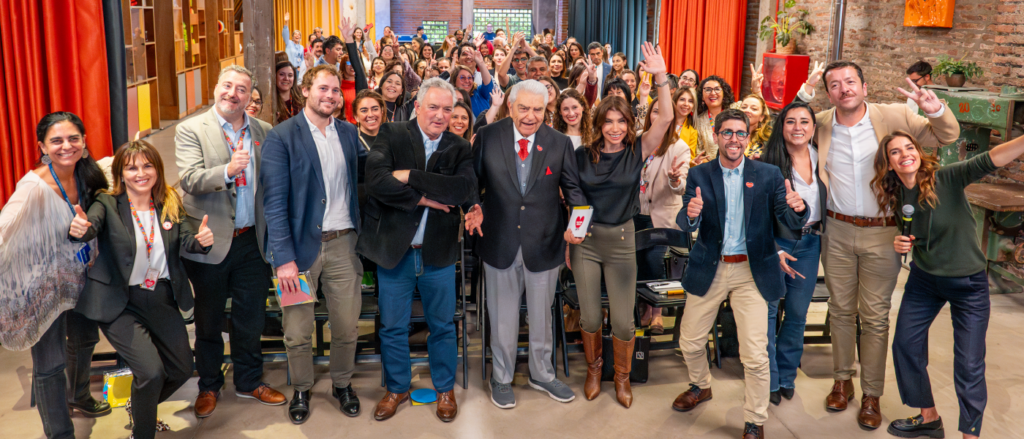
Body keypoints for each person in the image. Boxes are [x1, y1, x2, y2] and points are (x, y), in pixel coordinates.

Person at [795, 61, 960, 430]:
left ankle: (871, 393)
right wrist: (801, 95)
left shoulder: (895, 115)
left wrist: (933, 107)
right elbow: (784, 130)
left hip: (883, 233)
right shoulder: (819, 123)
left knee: (874, 316)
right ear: (828, 93)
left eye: (850, 82)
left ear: (864, 87)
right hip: (836, 229)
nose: (844, 89)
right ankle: (842, 381)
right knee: (839, 310)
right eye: (834, 84)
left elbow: (946, 135)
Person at [878, 132, 1024, 439]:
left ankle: (969, 434)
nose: (905, 154)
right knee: (905, 345)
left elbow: (992, 157)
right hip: (924, 280)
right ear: (888, 164)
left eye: (909, 147)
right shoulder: (896, 196)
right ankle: (928, 417)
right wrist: (900, 242)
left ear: (918, 152)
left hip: (967, 284)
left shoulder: (948, 178)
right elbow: (912, 235)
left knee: (969, 364)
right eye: (895, 152)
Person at [672, 109, 807, 439]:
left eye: (741, 133)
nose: (734, 139)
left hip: (752, 270)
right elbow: (687, 220)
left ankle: (754, 419)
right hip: (711, 267)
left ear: (749, 137)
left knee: (756, 354)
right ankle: (701, 386)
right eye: (727, 132)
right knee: (689, 342)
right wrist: (690, 215)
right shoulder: (700, 174)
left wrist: (797, 208)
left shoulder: (768, 174)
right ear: (717, 135)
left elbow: (788, 223)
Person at [68, 141, 213, 439]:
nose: (140, 173)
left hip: (160, 296)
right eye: (132, 167)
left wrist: (202, 241)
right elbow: (92, 225)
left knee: (183, 369)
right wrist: (82, 229)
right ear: (121, 172)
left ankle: (140, 404)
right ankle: (142, 433)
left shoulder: (169, 202)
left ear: (157, 170)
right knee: (151, 372)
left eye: (147, 166)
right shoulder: (107, 203)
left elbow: (187, 239)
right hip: (119, 302)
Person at [355, 78, 475, 423]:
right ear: (417, 106)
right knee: (392, 327)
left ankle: (444, 389)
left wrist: (409, 175)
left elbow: (461, 189)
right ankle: (396, 388)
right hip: (395, 252)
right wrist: (426, 199)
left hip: (437, 252)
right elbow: (376, 182)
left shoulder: (459, 146)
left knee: (442, 325)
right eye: (433, 107)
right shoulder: (391, 134)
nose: (440, 115)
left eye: (447, 109)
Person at [175, 65, 285, 419]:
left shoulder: (263, 131)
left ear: (250, 96)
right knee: (208, 320)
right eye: (227, 86)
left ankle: (249, 381)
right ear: (216, 88)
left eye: (242, 89)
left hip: (251, 240)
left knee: (250, 317)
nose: (233, 94)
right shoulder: (191, 129)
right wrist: (227, 171)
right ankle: (208, 385)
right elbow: (189, 179)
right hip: (210, 241)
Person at [468, 80, 585, 410]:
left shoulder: (559, 143)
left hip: (545, 244)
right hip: (498, 241)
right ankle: (501, 378)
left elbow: (573, 191)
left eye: (539, 109)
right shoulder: (489, 137)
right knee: (502, 317)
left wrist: (578, 226)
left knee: (542, 316)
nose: (531, 116)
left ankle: (542, 373)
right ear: (510, 106)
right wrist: (471, 206)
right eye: (524, 108)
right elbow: (471, 183)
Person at [260, 64, 367, 424]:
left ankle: (342, 384)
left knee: (347, 325)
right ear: (306, 90)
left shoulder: (350, 134)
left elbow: (368, 179)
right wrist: (284, 259)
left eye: (336, 90)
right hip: (298, 252)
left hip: (343, 245)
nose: (330, 96)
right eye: (323, 88)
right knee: (297, 330)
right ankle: (302, 388)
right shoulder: (282, 136)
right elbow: (273, 204)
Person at [570, 42, 672, 409]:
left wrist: (660, 76)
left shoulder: (637, 151)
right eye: (608, 122)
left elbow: (664, 119)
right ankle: (595, 369)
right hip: (586, 241)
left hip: (623, 239)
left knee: (625, 322)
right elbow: (570, 198)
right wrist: (570, 238)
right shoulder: (581, 156)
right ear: (598, 125)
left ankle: (623, 377)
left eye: (622, 121)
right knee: (592, 315)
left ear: (630, 124)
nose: (615, 128)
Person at [0, 112, 108, 439]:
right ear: (43, 147)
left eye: (73, 138)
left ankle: (79, 396)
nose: (66, 146)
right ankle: (60, 433)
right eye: (56, 141)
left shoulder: (88, 175)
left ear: (84, 142)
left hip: (78, 277)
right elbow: (4, 228)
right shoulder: (33, 186)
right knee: (50, 363)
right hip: (42, 286)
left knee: (85, 338)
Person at [758, 101, 827, 406]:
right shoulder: (768, 164)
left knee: (798, 314)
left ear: (813, 127)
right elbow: (756, 217)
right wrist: (772, 248)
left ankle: (787, 375)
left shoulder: (822, 158)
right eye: (790, 122)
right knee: (769, 314)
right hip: (777, 243)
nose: (797, 127)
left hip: (810, 243)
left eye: (804, 121)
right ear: (781, 126)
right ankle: (770, 379)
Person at [633, 94, 691, 333]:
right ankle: (643, 306)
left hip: (662, 219)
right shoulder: (638, 140)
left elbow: (682, 186)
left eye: (662, 112)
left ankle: (656, 312)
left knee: (654, 261)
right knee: (637, 263)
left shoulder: (679, 146)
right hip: (636, 214)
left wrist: (675, 179)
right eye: (654, 111)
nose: (658, 116)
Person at [693, 75, 733, 162]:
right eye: (708, 90)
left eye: (717, 89)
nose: (713, 93)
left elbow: (760, 111)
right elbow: (699, 152)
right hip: (711, 169)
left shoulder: (735, 111)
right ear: (702, 97)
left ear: (724, 93)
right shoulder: (699, 121)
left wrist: (756, 90)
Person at [449, 48, 494, 117]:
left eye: (470, 78)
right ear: (454, 80)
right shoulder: (449, 98)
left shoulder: (479, 92)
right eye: (462, 78)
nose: (467, 81)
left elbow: (488, 84)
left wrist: (481, 63)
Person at [733, 94, 771, 159]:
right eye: (744, 107)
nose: (747, 110)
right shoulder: (729, 135)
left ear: (761, 117)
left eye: (754, 109)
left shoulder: (767, 141)